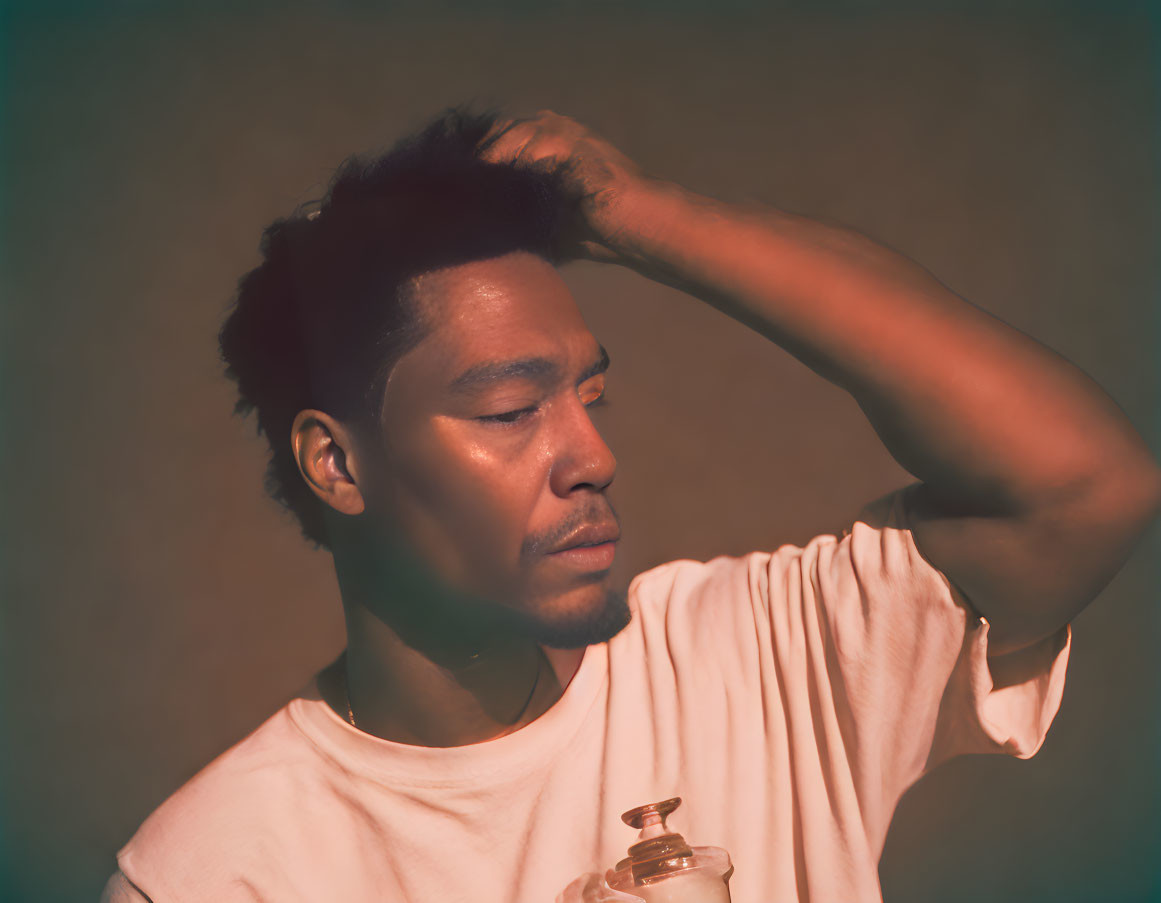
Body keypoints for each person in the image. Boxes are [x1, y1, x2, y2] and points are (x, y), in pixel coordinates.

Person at [99, 104, 1160, 903]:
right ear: (338, 466)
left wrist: (639, 215)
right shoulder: (213, 873)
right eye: (514, 410)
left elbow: (1080, 486)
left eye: (592, 394)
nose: (592, 455)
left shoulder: (751, 659)